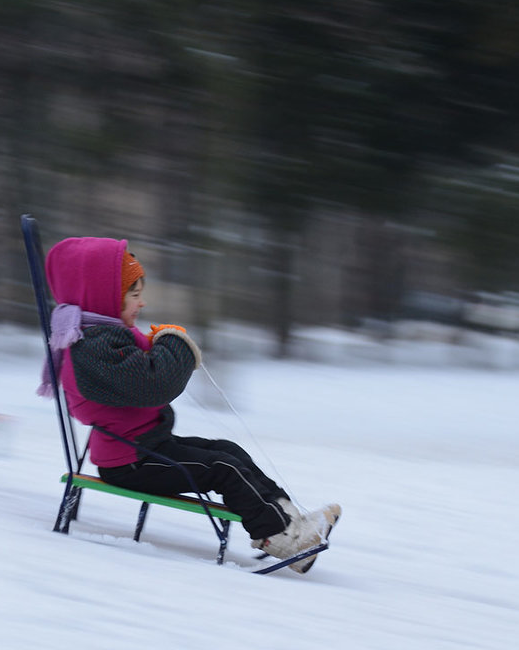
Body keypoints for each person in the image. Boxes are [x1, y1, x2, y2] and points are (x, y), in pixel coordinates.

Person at [40, 236, 340, 573]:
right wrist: (174, 342)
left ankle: (291, 522)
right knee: (222, 470)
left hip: (147, 447)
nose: (142, 303)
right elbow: (154, 384)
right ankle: (279, 537)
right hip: (130, 462)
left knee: (229, 451)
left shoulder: (102, 338)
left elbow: (140, 372)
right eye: (134, 295)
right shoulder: (93, 349)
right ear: (103, 297)